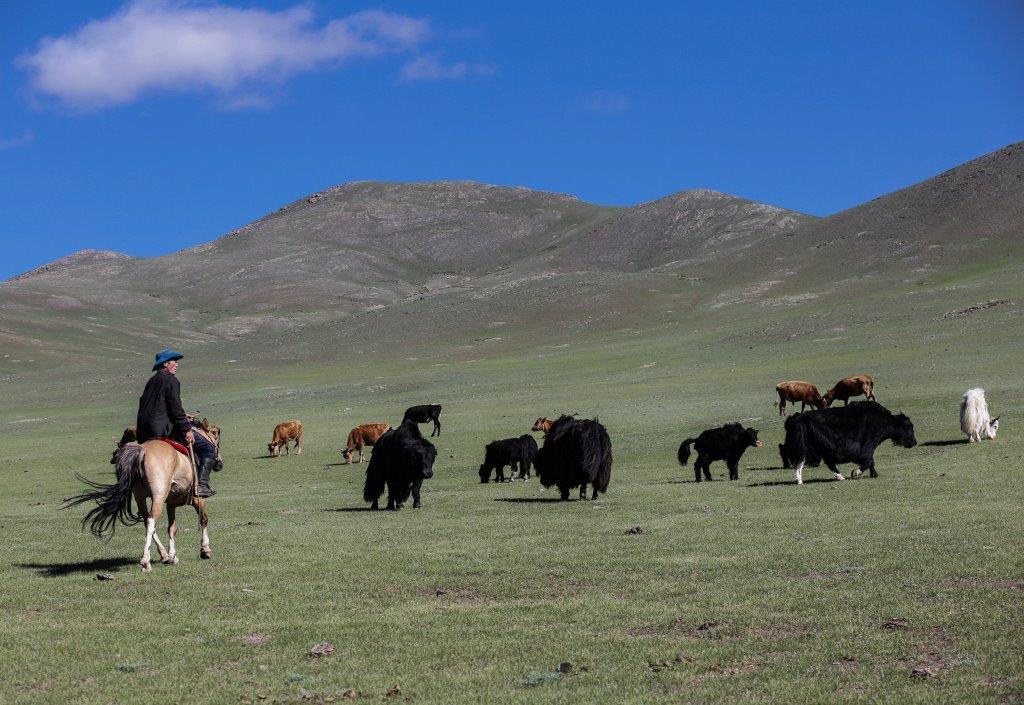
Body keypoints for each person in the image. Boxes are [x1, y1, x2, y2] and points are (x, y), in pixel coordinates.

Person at [136, 348, 218, 497]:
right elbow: (175, 408)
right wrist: (186, 428)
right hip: (163, 429)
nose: (177, 364)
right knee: (208, 448)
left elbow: (156, 406)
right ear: (166, 363)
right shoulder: (171, 380)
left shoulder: (152, 381)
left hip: (144, 432)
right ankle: (202, 485)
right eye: (174, 361)